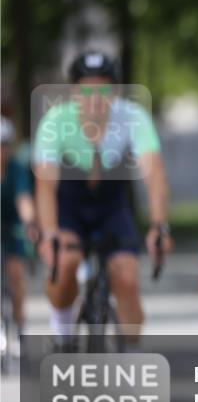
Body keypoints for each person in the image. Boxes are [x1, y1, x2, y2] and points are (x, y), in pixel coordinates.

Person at [32, 50, 173, 350]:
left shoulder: (133, 117)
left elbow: (155, 175)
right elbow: (45, 185)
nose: (95, 98)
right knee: (64, 262)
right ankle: (63, 331)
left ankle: (127, 348)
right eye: (86, 90)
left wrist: (160, 225)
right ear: (74, 93)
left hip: (111, 205)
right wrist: (49, 233)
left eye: (103, 90)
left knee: (127, 276)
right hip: (69, 204)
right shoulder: (55, 121)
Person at [1, 116, 38, 357]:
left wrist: (29, 222)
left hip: (13, 226)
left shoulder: (17, 168)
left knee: (16, 276)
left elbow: (24, 199)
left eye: (4, 144)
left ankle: (20, 322)